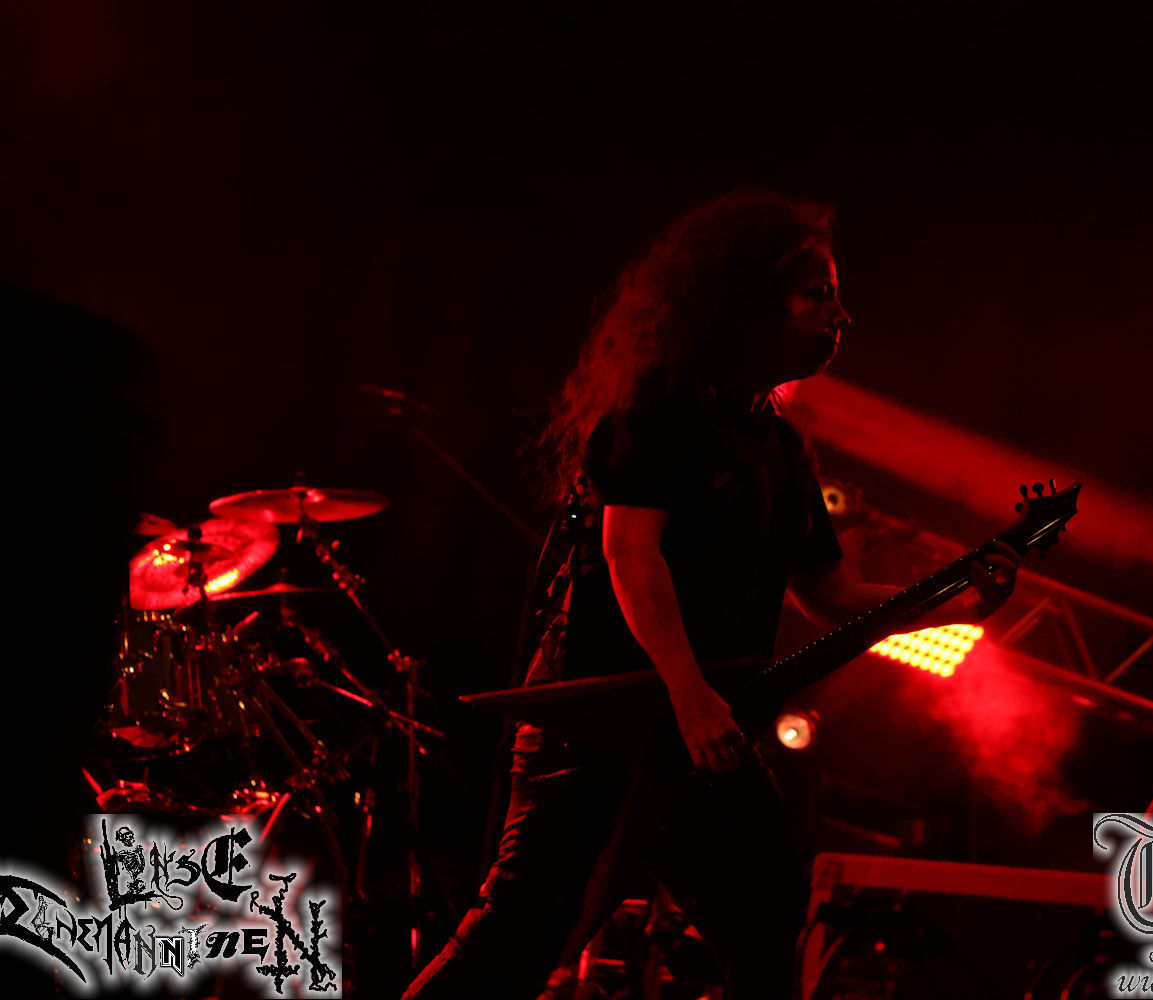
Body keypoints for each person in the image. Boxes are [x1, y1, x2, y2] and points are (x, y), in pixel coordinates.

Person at [402, 189, 1020, 999]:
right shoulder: (661, 407)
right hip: (601, 712)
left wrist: (957, 601)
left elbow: (832, 595)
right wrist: (689, 696)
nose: (841, 317)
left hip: (698, 727)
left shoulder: (781, 448)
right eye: (818, 295)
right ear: (746, 301)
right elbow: (630, 553)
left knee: (769, 915)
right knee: (522, 924)